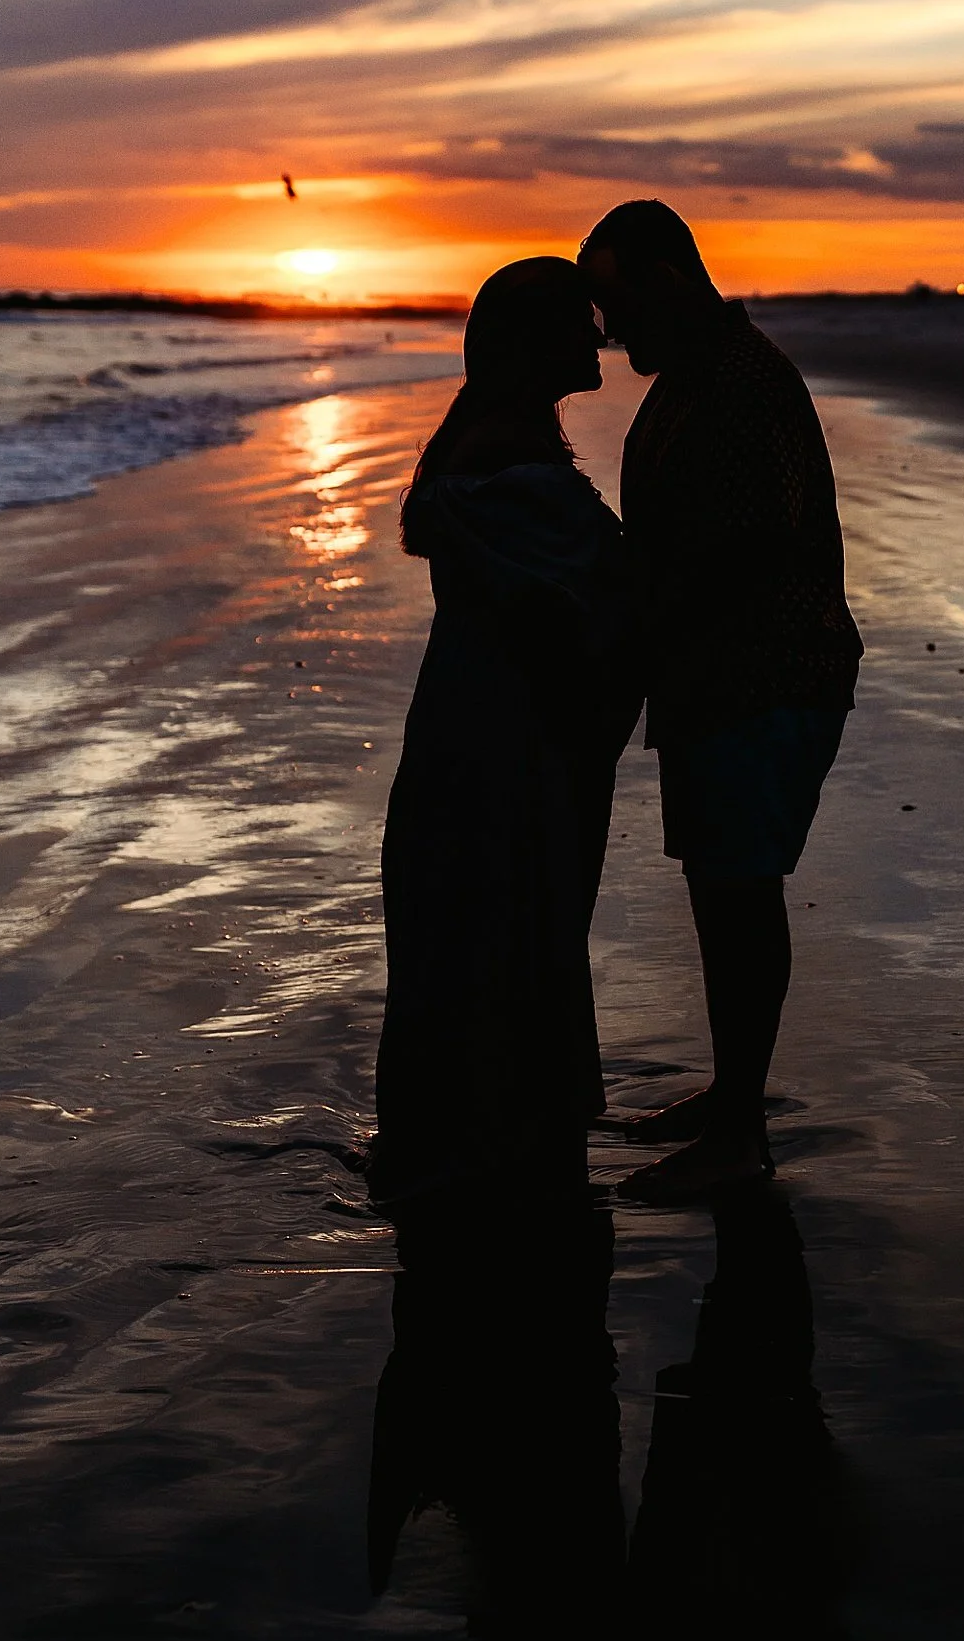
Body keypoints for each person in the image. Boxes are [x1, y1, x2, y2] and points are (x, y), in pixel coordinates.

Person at [579, 202, 863, 1202]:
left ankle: (739, 1127)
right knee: (722, 890)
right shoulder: (701, 377)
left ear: (665, 278)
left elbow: (730, 556)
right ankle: (732, 1095)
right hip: (721, 678)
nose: (609, 333)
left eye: (616, 304)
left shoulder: (740, 384)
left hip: (767, 674)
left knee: (739, 893)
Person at [369, 258, 641, 1206]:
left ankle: (461, 1150)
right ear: (532, 348)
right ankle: (491, 1163)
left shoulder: (492, 448)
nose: (597, 336)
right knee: (504, 931)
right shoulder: (515, 472)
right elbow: (586, 615)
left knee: (472, 939)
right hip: (499, 747)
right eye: (578, 323)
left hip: (469, 733)